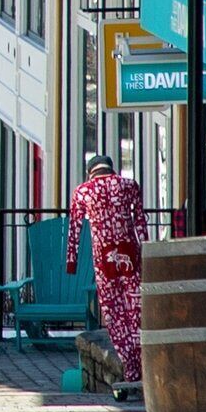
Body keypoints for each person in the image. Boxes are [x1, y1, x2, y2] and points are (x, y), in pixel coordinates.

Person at [69, 155, 149, 388]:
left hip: (104, 258)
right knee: (135, 308)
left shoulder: (83, 192)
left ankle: (130, 366)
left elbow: (74, 229)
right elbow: (140, 221)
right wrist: (146, 250)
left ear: (90, 172)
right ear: (111, 169)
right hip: (131, 254)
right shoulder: (130, 185)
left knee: (113, 312)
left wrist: (71, 261)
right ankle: (140, 363)